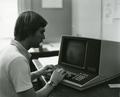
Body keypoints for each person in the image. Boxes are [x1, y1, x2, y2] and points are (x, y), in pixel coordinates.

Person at [0, 11, 66, 97]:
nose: (44, 37)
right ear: (29, 32)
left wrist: (39, 72)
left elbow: (19, 80)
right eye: (41, 32)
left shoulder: (7, 50)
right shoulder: (18, 60)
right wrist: (52, 82)